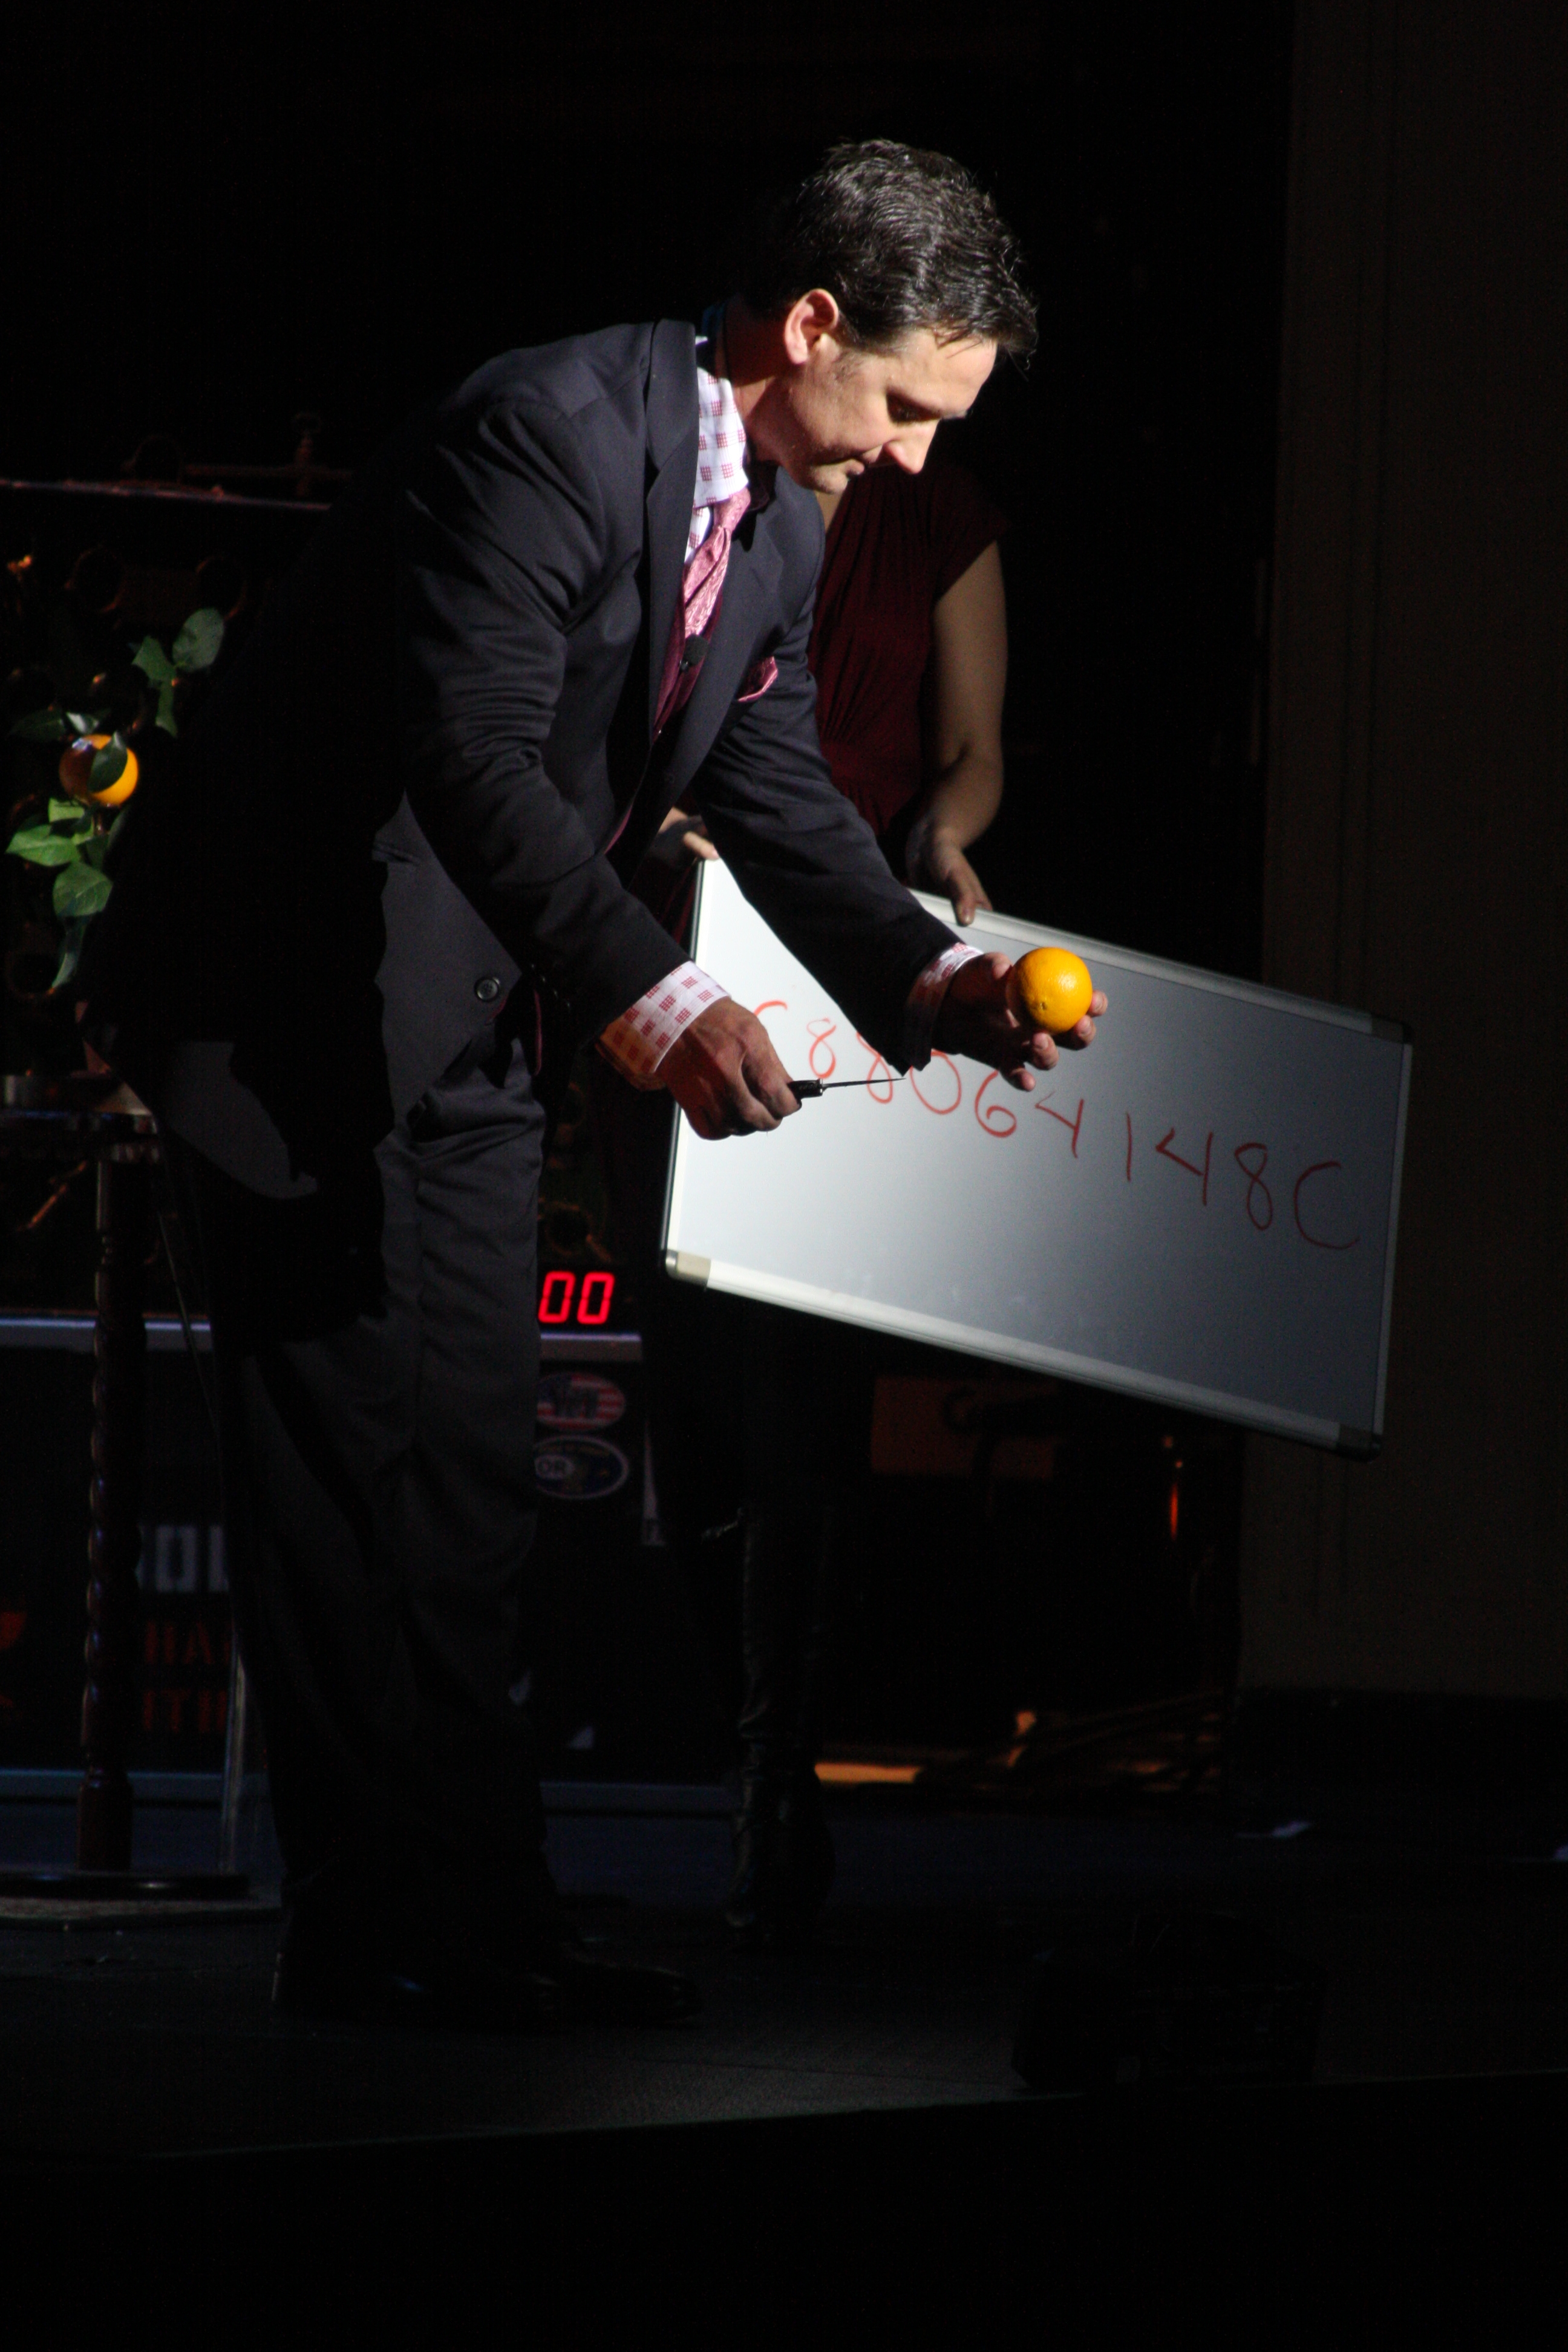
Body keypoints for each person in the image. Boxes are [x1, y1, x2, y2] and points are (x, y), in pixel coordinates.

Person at [87, 140, 1104, 2030]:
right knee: (342, 1492)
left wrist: (930, 971)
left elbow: (777, 787)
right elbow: (472, 762)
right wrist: (654, 999)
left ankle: (477, 1919)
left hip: (466, 1006)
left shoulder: (787, 523)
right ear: (811, 322)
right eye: (899, 405)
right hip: (287, 1000)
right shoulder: (544, 431)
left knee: (467, 1491)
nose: (906, 460)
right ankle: (361, 1930)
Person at [632, 453, 1012, 1947]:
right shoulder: (718, 483)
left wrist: (946, 837)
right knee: (693, 1410)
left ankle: (774, 1779)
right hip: (684, 945)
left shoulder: (942, 517)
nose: (915, 433)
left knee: (803, 1400)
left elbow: (974, 746)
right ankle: (745, 1741)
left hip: (854, 950)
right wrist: (667, 831)